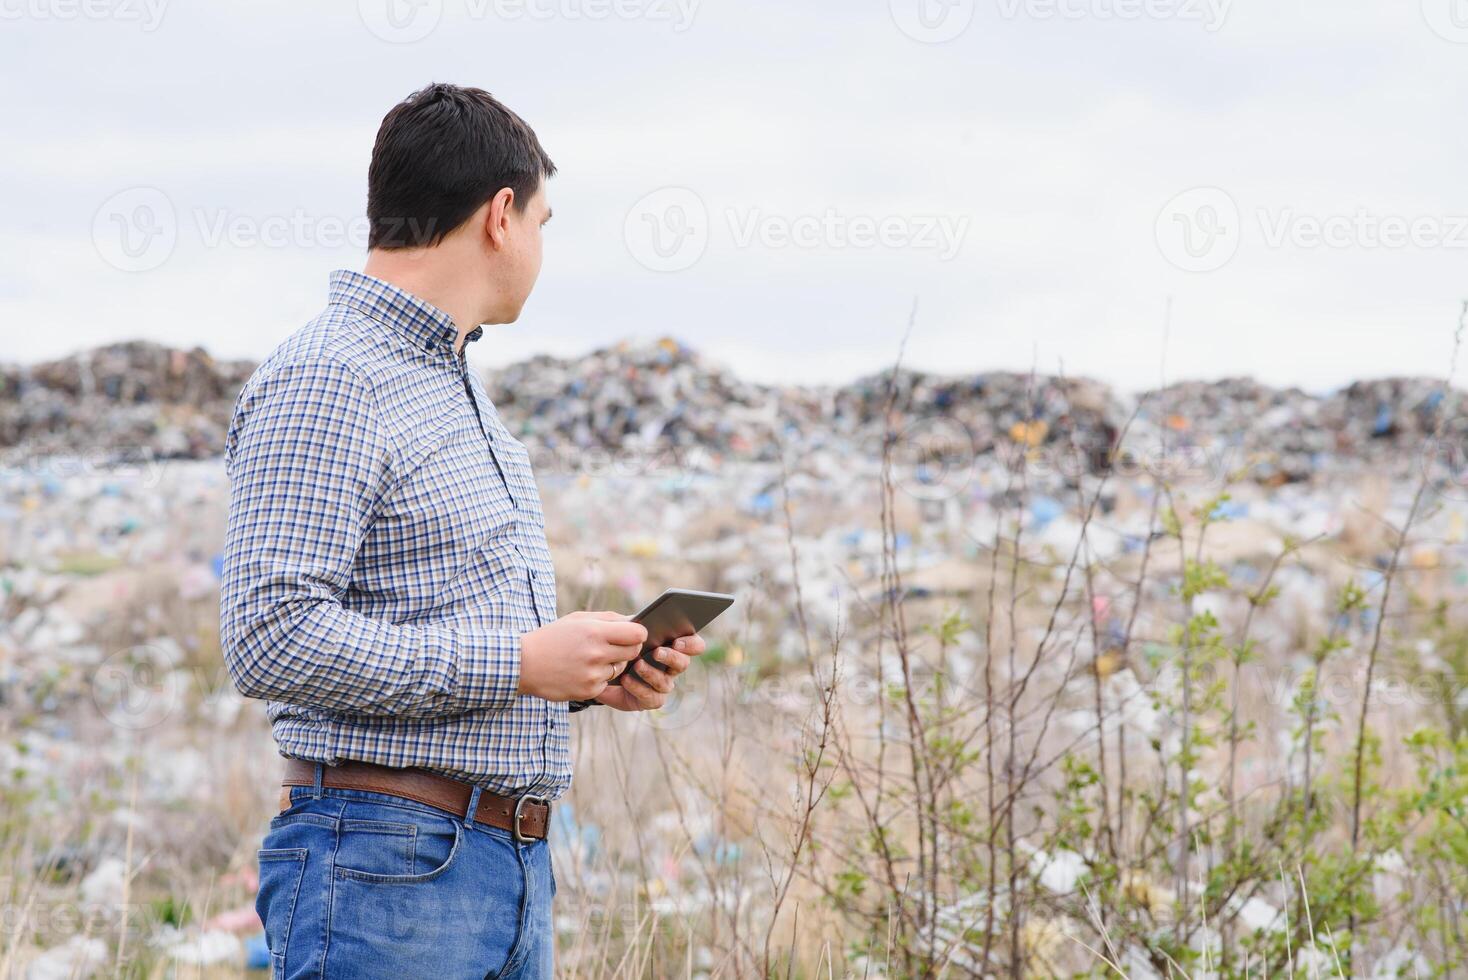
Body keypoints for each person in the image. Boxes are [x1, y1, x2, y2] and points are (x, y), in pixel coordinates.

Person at [219, 82, 705, 979]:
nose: (542, 250)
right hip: (386, 872)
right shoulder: (331, 376)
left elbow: (429, 619)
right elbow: (269, 636)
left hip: (500, 867)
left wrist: (581, 679)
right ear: (501, 215)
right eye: (545, 223)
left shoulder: (456, 389)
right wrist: (521, 664)